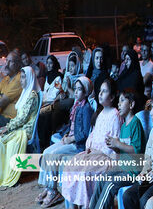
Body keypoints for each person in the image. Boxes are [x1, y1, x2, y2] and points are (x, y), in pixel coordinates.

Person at [60, 78, 123, 207]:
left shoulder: (115, 115)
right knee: (70, 167)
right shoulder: (100, 113)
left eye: (104, 91)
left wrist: (97, 151)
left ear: (111, 97)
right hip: (93, 153)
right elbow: (93, 134)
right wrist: (89, 147)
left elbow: (113, 143)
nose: (100, 94)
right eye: (100, 91)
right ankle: (73, 206)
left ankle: (86, 205)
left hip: (105, 158)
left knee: (84, 174)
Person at [36, 76, 94, 207]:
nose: (77, 92)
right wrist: (67, 134)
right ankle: (47, 185)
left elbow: (85, 133)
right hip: (70, 140)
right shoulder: (77, 105)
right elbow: (72, 125)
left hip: (77, 145)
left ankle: (53, 190)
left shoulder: (86, 108)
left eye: (80, 90)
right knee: (46, 151)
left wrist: (71, 138)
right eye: (76, 89)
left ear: (86, 92)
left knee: (53, 155)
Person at [89, 89, 147, 209]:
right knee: (102, 178)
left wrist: (118, 144)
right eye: (118, 101)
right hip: (123, 167)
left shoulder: (135, 123)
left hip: (133, 172)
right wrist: (115, 147)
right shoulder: (124, 126)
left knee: (110, 185)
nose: (118, 104)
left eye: (122, 101)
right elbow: (122, 151)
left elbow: (137, 150)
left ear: (131, 105)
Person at [0, 66, 40, 187]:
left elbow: (23, 119)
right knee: (2, 139)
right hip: (18, 126)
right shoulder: (25, 93)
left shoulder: (32, 95)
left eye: (24, 77)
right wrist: (8, 126)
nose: (21, 80)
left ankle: (10, 177)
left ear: (30, 78)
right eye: (21, 77)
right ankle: (3, 174)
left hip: (25, 129)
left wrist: (8, 127)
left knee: (10, 142)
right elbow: (19, 117)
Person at [0, 51, 23, 126]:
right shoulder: (7, 78)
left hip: (9, 119)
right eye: (6, 60)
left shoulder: (19, 79)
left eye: (10, 62)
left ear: (17, 64)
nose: (7, 64)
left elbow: (2, 102)